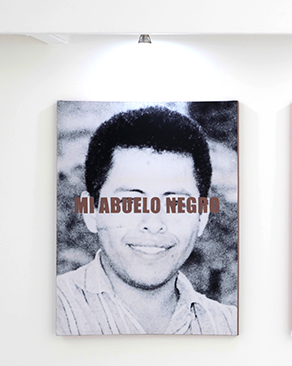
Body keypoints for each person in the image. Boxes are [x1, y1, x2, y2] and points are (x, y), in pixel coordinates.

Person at [56, 106, 237, 335]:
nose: (153, 223)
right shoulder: (46, 312)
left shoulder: (230, 326)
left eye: (176, 204)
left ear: (202, 218)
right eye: (129, 202)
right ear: (91, 211)